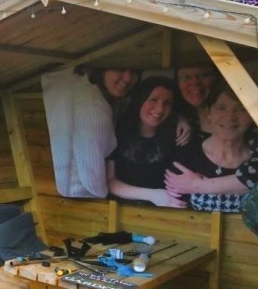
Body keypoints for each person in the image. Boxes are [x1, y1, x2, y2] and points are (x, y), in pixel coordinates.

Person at [41, 65, 138, 198]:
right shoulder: (93, 103)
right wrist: (103, 200)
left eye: (134, 71)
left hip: (56, 188)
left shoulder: (74, 85)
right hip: (80, 194)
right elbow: (91, 173)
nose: (128, 78)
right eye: (120, 68)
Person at [167, 81, 258, 212]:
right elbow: (174, 215)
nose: (230, 117)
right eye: (221, 108)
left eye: (241, 109)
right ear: (208, 113)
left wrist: (198, 185)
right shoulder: (186, 156)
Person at [106, 76, 185, 207]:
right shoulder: (119, 130)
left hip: (163, 214)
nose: (160, 109)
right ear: (140, 100)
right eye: (153, 100)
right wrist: (152, 195)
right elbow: (110, 182)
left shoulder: (178, 135)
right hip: (121, 210)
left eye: (167, 103)